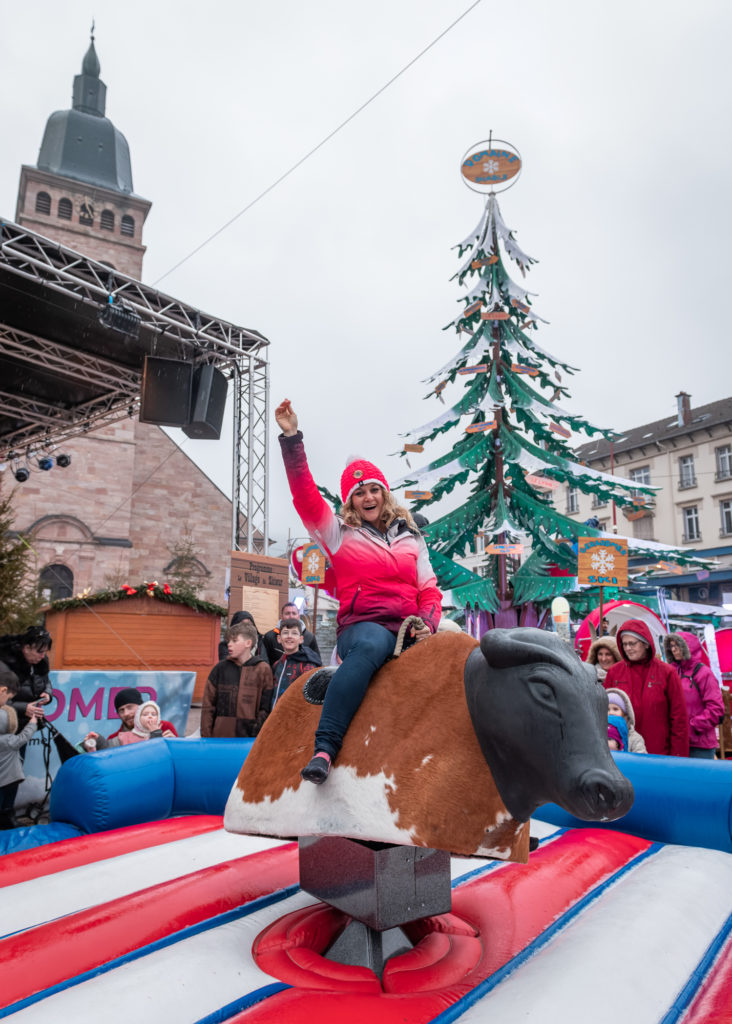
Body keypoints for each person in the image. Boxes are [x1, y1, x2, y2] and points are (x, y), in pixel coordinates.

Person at [275, 398, 442, 784]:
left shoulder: (411, 539)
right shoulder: (339, 533)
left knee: (459, 657)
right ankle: (325, 749)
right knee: (370, 647)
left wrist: (429, 623)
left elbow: (429, 589)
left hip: (413, 626)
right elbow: (305, 498)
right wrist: (292, 440)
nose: (368, 497)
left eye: (373, 490)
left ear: (385, 494)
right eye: (359, 492)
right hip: (364, 627)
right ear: (350, 500)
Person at [604, 619, 688, 757]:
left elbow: (679, 719)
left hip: (659, 753)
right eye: (624, 644)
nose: (628, 648)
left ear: (646, 644)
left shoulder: (667, 673)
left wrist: (678, 757)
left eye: (632, 643)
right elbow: (602, 714)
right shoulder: (615, 672)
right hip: (624, 753)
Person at [201, 619, 274, 738]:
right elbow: (208, 706)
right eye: (229, 640)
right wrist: (206, 737)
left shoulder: (263, 669)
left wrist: (257, 732)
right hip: (220, 736)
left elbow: (265, 708)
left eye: (234, 640)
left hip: (249, 738)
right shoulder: (220, 669)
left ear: (248, 643)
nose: (229, 644)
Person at [664, 632, 724, 759]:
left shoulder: (704, 674)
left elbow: (716, 709)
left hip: (700, 745)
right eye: (671, 646)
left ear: (688, 647)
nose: (673, 649)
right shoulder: (672, 672)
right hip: (677, 741)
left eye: (677, 645)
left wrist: (691, 726)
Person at [0, 667, 44, 828]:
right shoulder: (7, 739)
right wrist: (32, 723)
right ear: (3, 690)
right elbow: (21, 738)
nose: (5, 704)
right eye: (7, 699)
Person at [82, 687, 177, 752]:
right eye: (121, 710)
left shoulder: (165, 727)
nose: (126, 713)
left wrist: (175, 745)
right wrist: (96, 742)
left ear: (141, 707)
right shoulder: (114, 738)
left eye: (129, 707)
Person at [0, 626, 54, 730]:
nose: (43, 656)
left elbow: (46, 680)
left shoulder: (41, 662)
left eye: (45, 652)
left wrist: (47, 693)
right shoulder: (4, 666)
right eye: (39, 652)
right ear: (26, 648)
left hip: (25, 724)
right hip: (5, 726)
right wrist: (23, 708)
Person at [271, 618, 322, 708]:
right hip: (275, 717)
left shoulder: (307, 666)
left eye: (294, 633)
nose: (289, 636)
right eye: (285, 632)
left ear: (301, 639)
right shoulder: (277, 665)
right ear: (279, 638)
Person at [262, 602, 321, 667]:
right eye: (287, 613)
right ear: (281, 616)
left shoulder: (309, 637)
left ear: (298, 616)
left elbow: (317, 662)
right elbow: (264, 662)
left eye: (294, 613)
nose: (291, 616)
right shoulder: (269, 637)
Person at [606, 687, 647, 753]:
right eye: (607, 709)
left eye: (615, 709)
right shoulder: (598, 734)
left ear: (625, 714)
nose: (611, 712)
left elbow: (641, 759)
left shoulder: (634, 738)